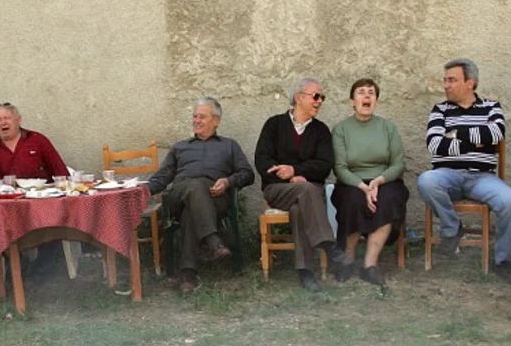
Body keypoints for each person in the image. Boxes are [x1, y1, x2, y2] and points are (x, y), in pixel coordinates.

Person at [415, 58, 511, 283]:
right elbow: (435, 145)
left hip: (482, 178)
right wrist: (475, 139)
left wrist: (454, 134)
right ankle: (452, 228)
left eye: (452, 80)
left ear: (470, 83)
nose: (446, 85)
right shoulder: (440, 110)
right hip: (446, 176)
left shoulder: (491, 108)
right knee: (426, 181)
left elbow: (495, 135)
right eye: (445, 80)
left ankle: (502, 259)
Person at [147, 97, 255, 294]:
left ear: (216, 120)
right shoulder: (180, 147)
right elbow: (162, 177)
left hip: (216, 199)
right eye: (194, 116)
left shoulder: (229, 145)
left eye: (202, 117)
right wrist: (141, 191)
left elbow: (248, 174)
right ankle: (213, 241)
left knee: (192, 211)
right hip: (179, 195)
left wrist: (227, 182)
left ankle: (187, 275)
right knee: (195, 187)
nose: (196, 120)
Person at [254, 77, 351, 291]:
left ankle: (305, 271)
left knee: (300, 208)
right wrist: (288, 175)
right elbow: (262, 160)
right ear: (299, 97)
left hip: (309, 191)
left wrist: (297, 171)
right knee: (306, 190)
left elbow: (325, 165)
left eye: (322, 98)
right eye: (316, 96)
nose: (319, 101)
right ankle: (329, 246)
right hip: (278, 189)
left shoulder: (321, 130)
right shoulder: (274, 124)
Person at [331, 79, 408, 286]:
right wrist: (364, 187)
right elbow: (340, 167)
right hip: (352, 182)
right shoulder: (341, 129)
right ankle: (348, 259)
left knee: (389, 199)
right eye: (361, 92)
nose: (366, 96)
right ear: (352, 101)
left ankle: (369, 265)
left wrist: (378, 181)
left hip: (384, 181)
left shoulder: (388, 127)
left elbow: (398, 163)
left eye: (371, 93)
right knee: (353, 201)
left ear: (376, 100)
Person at [0, 103, 70, 181]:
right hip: (10, 198)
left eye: (7, 118)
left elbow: (61, 173)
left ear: (19, 120)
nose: (3, 122)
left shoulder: (38, 140)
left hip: (44, 197)